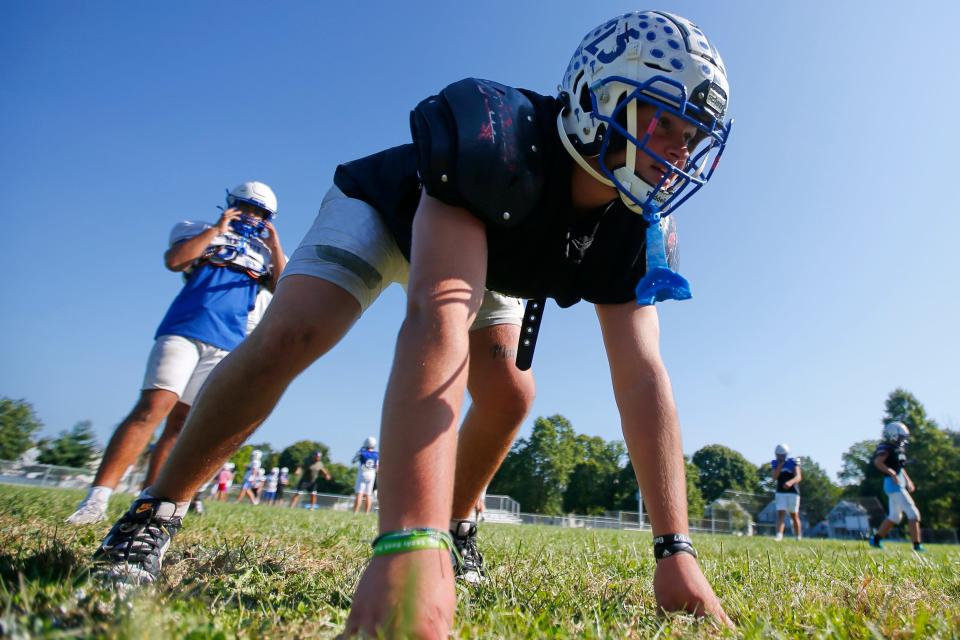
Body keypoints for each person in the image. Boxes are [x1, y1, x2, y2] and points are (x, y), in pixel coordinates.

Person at [93, 10, 734, 633]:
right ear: (604, 95)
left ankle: (456, 525)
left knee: (510, 393)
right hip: (396, 212)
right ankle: (156, 508)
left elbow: (643, 376)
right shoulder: (501, 142)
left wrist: (673, 546)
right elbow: (439, 311)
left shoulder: (638, 223)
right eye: (667, 118)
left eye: (695, 133)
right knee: (294, 332)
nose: (682, 148)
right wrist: (406, 539)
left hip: (494, 251)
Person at [66, 182, 286, 525]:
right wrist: (218, 230)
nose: (251, 216)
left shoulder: (264, 251)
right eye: (246, 207)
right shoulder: (198, 230)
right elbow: (175, 260)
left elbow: (284, 288)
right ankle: (97, 497)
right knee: (153, 407)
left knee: (183, 424)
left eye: (259, 212)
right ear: (231, 204)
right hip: (187, 327)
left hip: (228, 340)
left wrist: (273, 244)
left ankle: (150, 499)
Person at [870, 422, 924, 552]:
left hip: (897, 483)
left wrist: (908, 480)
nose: (903, 439)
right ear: (893, 435)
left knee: (895, 517)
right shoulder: (886, 447)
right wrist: (891, 473)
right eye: (901, 436)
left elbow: (900, 468)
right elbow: (878, 462)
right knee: (913, 513)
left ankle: (875, 540)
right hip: (892, 484)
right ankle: (917, 545)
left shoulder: (897, 448)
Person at [770, 444, 802, 541]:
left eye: (783, 455)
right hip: (780, 492)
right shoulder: (775, 463)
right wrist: (780, 465)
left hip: (793, 492)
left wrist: (790, 482)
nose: (781, 457)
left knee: (794, 514)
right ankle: (779, 535)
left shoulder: (793, 462)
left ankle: (798, 536)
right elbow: (774, 477)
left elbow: (798, 477)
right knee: (781, 514)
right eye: (779, 455)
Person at [352, 437, 380, 514]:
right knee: (368, 494)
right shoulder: (377, 454)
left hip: (363, 473)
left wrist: (360, 452)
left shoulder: (362, 452)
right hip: (372, 474)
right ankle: (367, 513)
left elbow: (353, 461)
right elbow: (377, 467)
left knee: (359, 493)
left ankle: (355, 511)